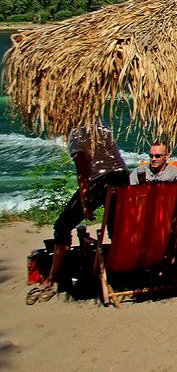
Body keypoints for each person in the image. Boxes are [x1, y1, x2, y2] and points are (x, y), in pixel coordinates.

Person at [27, 123, 129, 305]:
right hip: (122, 178)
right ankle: (121, 271)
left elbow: (83, 173)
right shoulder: (100, 125)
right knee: (115, 227)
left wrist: (84, 203)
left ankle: (52, 278)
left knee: (63, 224)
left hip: (102, 181)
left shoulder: (76, 136)